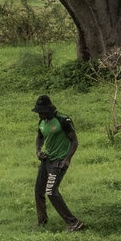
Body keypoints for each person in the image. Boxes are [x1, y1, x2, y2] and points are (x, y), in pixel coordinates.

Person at [32, 94, 84, 231]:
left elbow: (75, 141)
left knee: (51, 191)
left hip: (59, 161)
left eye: (41, 112)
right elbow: (39, 138)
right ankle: (42, 222)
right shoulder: (42, 122)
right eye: (38, 112)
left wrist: (67, 159)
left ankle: (73, 222)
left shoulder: (62, 119)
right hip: (46, 160)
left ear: (48, 109)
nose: (40, 115)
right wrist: (38, 151)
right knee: (38, 191)